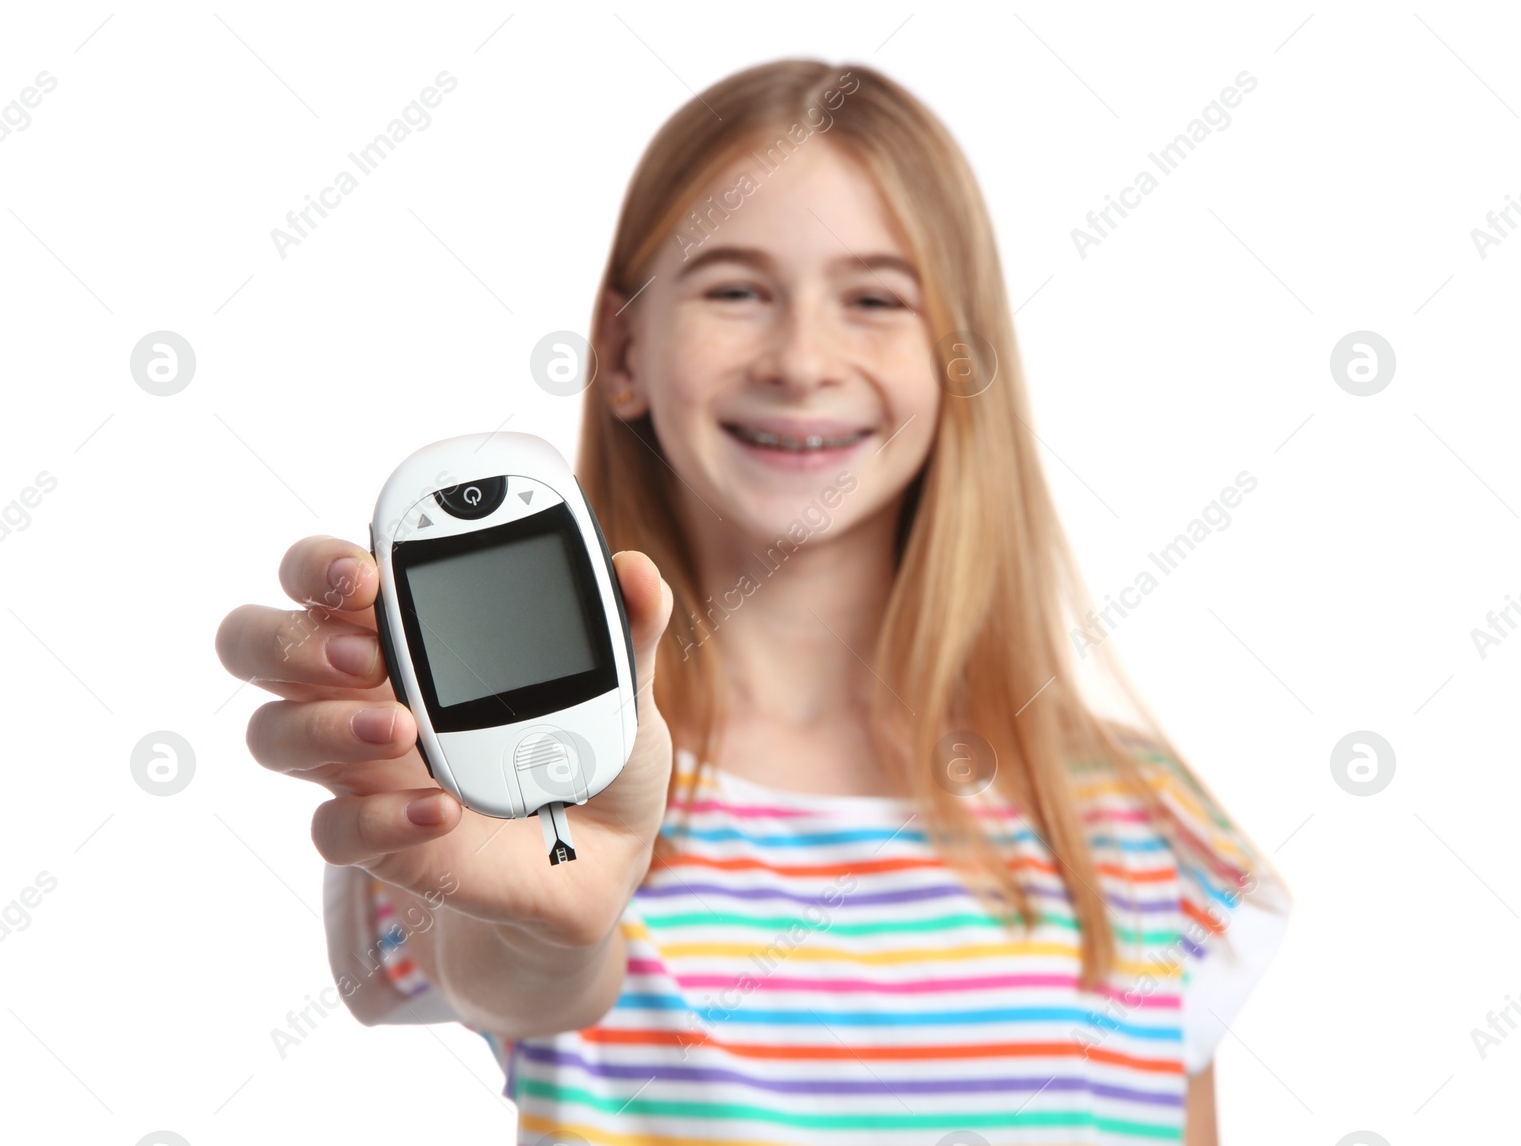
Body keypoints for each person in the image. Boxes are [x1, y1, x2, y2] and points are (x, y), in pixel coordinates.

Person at [217, 58, 1291, 1145]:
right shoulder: (536, 776)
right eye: (735, 290)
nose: (801, 359)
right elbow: (518, 969)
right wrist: (553, 928)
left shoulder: (1143, 829)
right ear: (625, 348)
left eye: (875, 298)